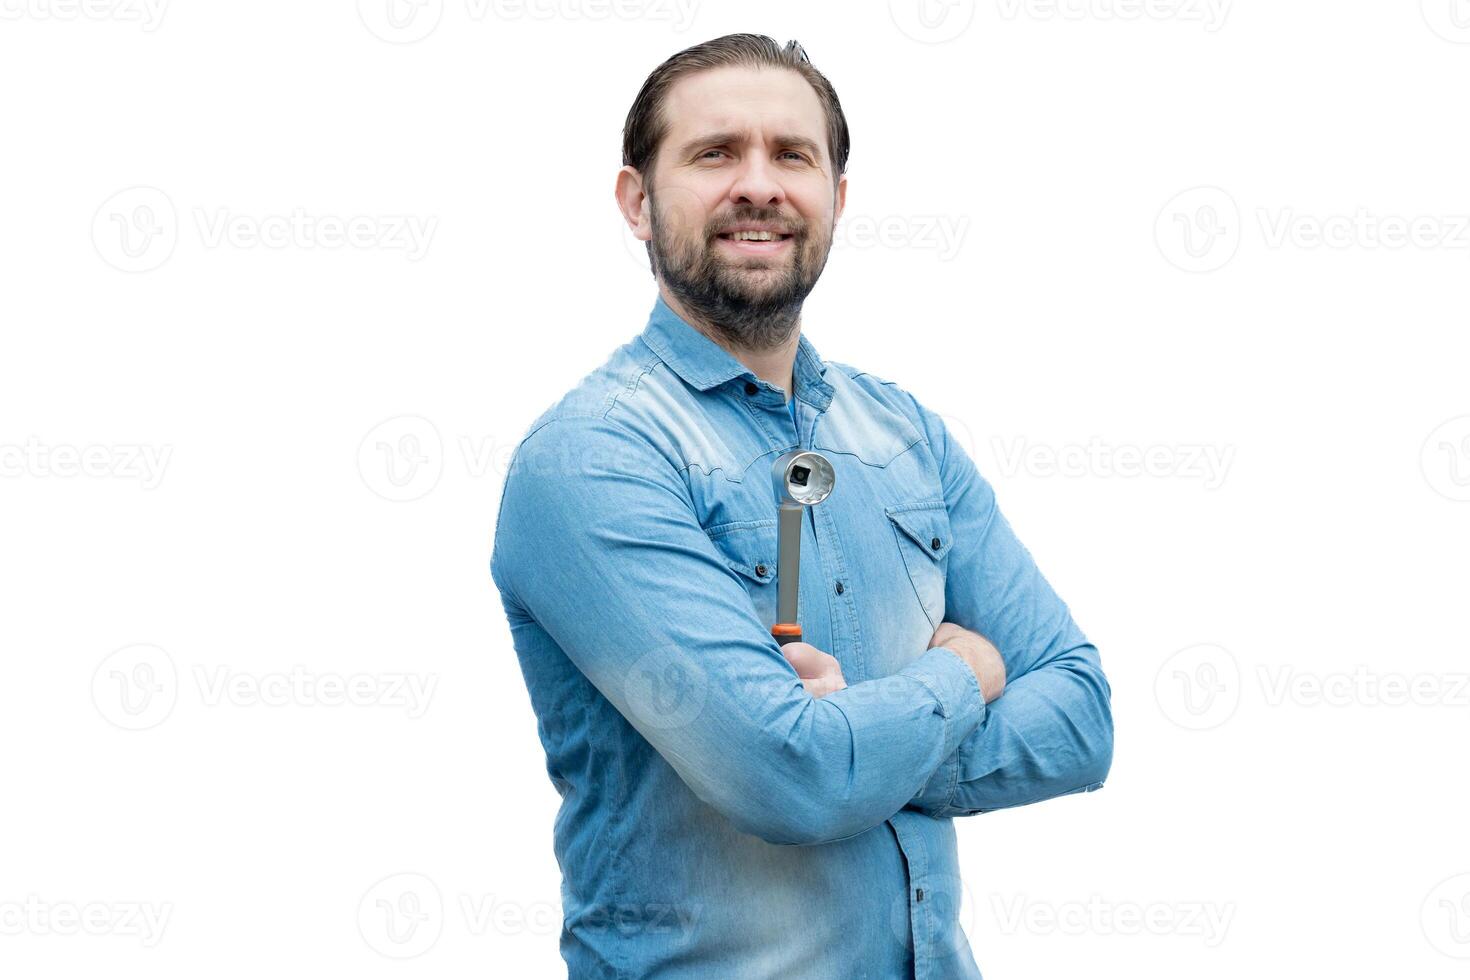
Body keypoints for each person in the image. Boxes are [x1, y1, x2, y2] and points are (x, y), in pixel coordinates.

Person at [490, 33, 1113, 979]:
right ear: (636, 201)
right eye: (714, 154)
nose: (759, 185)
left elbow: (1081, 718)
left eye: (793, 155)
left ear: (837, 198)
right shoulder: (593, 460)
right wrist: (965, 674)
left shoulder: (903, 433)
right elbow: (788, 778)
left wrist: (857, 737)